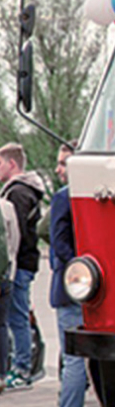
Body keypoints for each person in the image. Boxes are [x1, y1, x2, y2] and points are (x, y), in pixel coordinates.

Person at [43, 144, 87, 407]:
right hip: (99, 287)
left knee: (73, 361)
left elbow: (58, 243)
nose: (58, 169)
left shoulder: (64, 198)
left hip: (72, 289)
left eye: (63, 163)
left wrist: (75, 272)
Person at [0, 143, 46, 390]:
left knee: (16, 316)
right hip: (25, 262)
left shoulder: (17, 194)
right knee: (18, 313)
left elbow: (13, 234)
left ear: (12, 164)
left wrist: (10, 263)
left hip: (18, 263)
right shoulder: (27, 191)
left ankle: (21, 368)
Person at [0, 190, 18, 394]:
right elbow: (15, 241)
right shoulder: (6, 207)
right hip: (5, 274)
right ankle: (2, 374)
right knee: (2, 325)